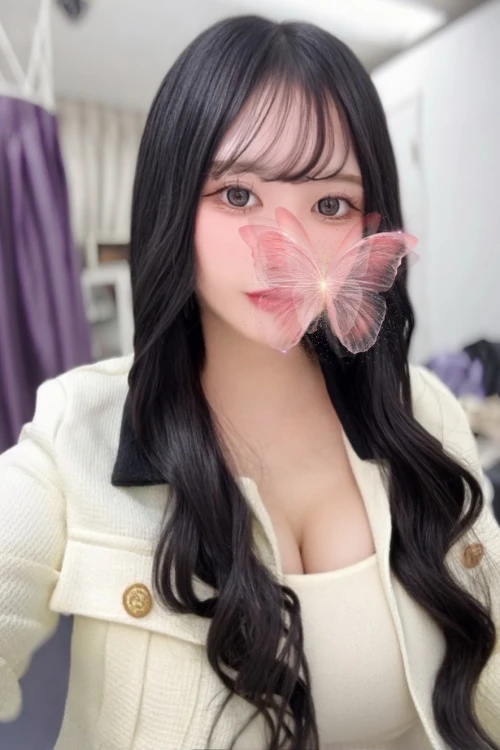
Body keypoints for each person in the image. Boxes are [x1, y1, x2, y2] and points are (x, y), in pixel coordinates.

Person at [0, 14, 499, 750]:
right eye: (238, 195)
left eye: (329, 204)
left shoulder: (424, 412)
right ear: (173, 203)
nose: (284, 244)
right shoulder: (79, 434)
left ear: (370, 228)